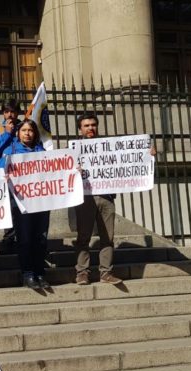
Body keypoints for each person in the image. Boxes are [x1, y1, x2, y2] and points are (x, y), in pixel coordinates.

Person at [73, 114, 132, 285]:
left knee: (108, 236)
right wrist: (74, 170)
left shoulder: (108, 147)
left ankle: (106, 272)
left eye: (93, 125)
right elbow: (63, 172)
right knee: (83, 236)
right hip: (84, 198)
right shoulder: (73, 149)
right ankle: (82, 272)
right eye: (86, 125)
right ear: (80, 129)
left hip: (106, 197)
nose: (90, 128)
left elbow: (127, 160)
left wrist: (148, 154)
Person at [0, 119, 50, 290]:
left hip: (41, 203)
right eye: (24, 130)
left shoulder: (42, 151)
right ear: (18, 133)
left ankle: (40, 272)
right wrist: (4, 177)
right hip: (20, 203)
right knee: (25, 239)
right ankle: (28, 273)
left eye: (31, 130)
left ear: (35, 133)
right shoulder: (9, 151)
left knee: (41, 239)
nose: (27, 133)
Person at [0, 99, 21, 253]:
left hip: (22, 175)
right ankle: (8, 239)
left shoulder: (23, 127)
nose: (10, 114)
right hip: (5, 175)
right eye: (7, 111)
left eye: (13, 111)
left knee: (20, 208)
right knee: (8, 207)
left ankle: (22, 238)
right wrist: (8, 134)